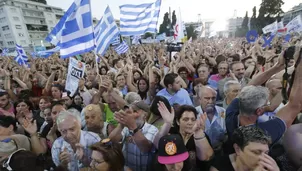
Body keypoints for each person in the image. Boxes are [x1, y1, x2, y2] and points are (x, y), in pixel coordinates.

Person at [153, 103, 214, 171]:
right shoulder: (171, 133)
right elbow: (157, 145)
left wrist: (198, 134)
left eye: (193, 119)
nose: (190, 123)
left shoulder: (201, 135)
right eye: (186, 119)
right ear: (178, 121)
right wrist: (167, 123)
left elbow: (207, 157)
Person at [109, 101, 158, 171]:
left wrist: (133, 127)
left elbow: (145, 148)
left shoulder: (152, 129)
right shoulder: (126, 128)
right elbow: (112, 141)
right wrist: (121, 124)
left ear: (145, 115)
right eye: (129, 112)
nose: (131, 115)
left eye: (135, 111)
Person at [210, 126, 279, 171]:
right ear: (237, 149)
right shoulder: (219, 167)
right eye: (256, 152)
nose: (264, 158)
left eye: (266, 153)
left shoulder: (270, 166)